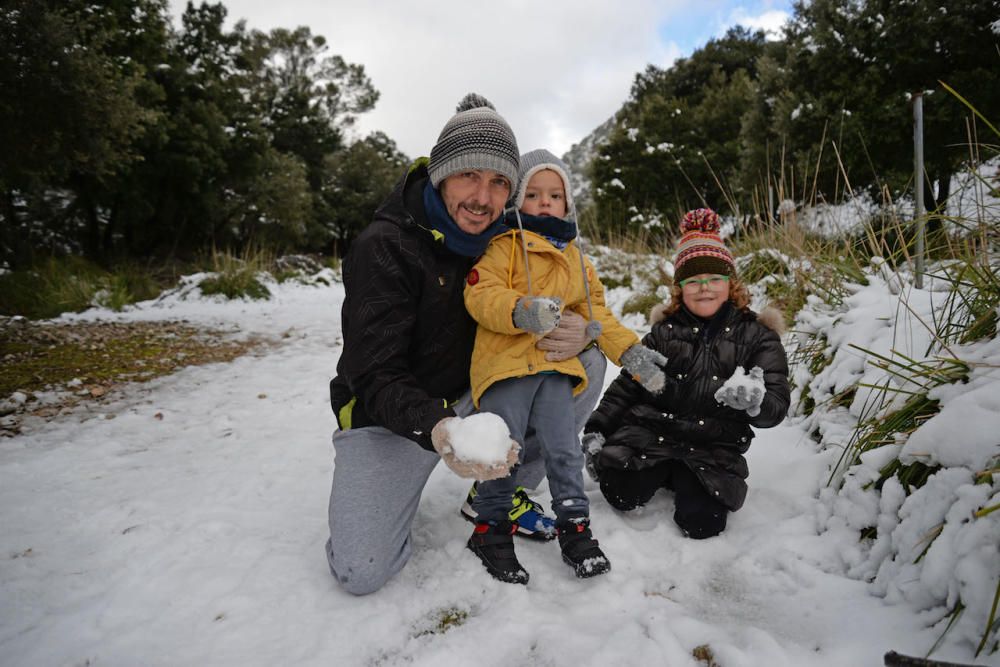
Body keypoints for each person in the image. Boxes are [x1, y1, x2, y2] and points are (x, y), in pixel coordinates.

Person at [325, 94, 606, 595]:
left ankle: (501, 490)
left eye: (499, 182)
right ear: (441, 174)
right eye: (468, 176)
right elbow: (373, 372)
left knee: (586, 362)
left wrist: (582, 329)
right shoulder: (384, 246)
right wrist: (438, 428)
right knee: (361, 571)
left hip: (482, 390)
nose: (483, 197)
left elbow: (570, 291)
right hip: (395, 414)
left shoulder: (510, 236)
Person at [461, 149, 669, 583]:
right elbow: (481, 295)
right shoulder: (503, 247)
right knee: (504, 448)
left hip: (556, 368)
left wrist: (629, 352)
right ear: (518, 200)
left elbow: (598, 316)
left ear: (567, 203)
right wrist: (520, 310)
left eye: (554, 195)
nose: (544, 203)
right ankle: (490, 528)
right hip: (506, 368)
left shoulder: (577, 259)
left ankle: (575, 528)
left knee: (564, 449)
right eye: (534, 194)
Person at [582, 208, 790, 539]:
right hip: (652, 435)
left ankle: (685, 476)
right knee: (620, 493)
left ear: (730, 284)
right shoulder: (663, 333)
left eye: (713, 280)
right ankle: (662, 471)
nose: (704, 288)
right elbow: (626, 388)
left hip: (713, 446)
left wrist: (756, 402)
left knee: (703, 523)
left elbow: (777, 403)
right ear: (680, 289)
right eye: (693, 281)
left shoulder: (758, 337)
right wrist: (597, 429)